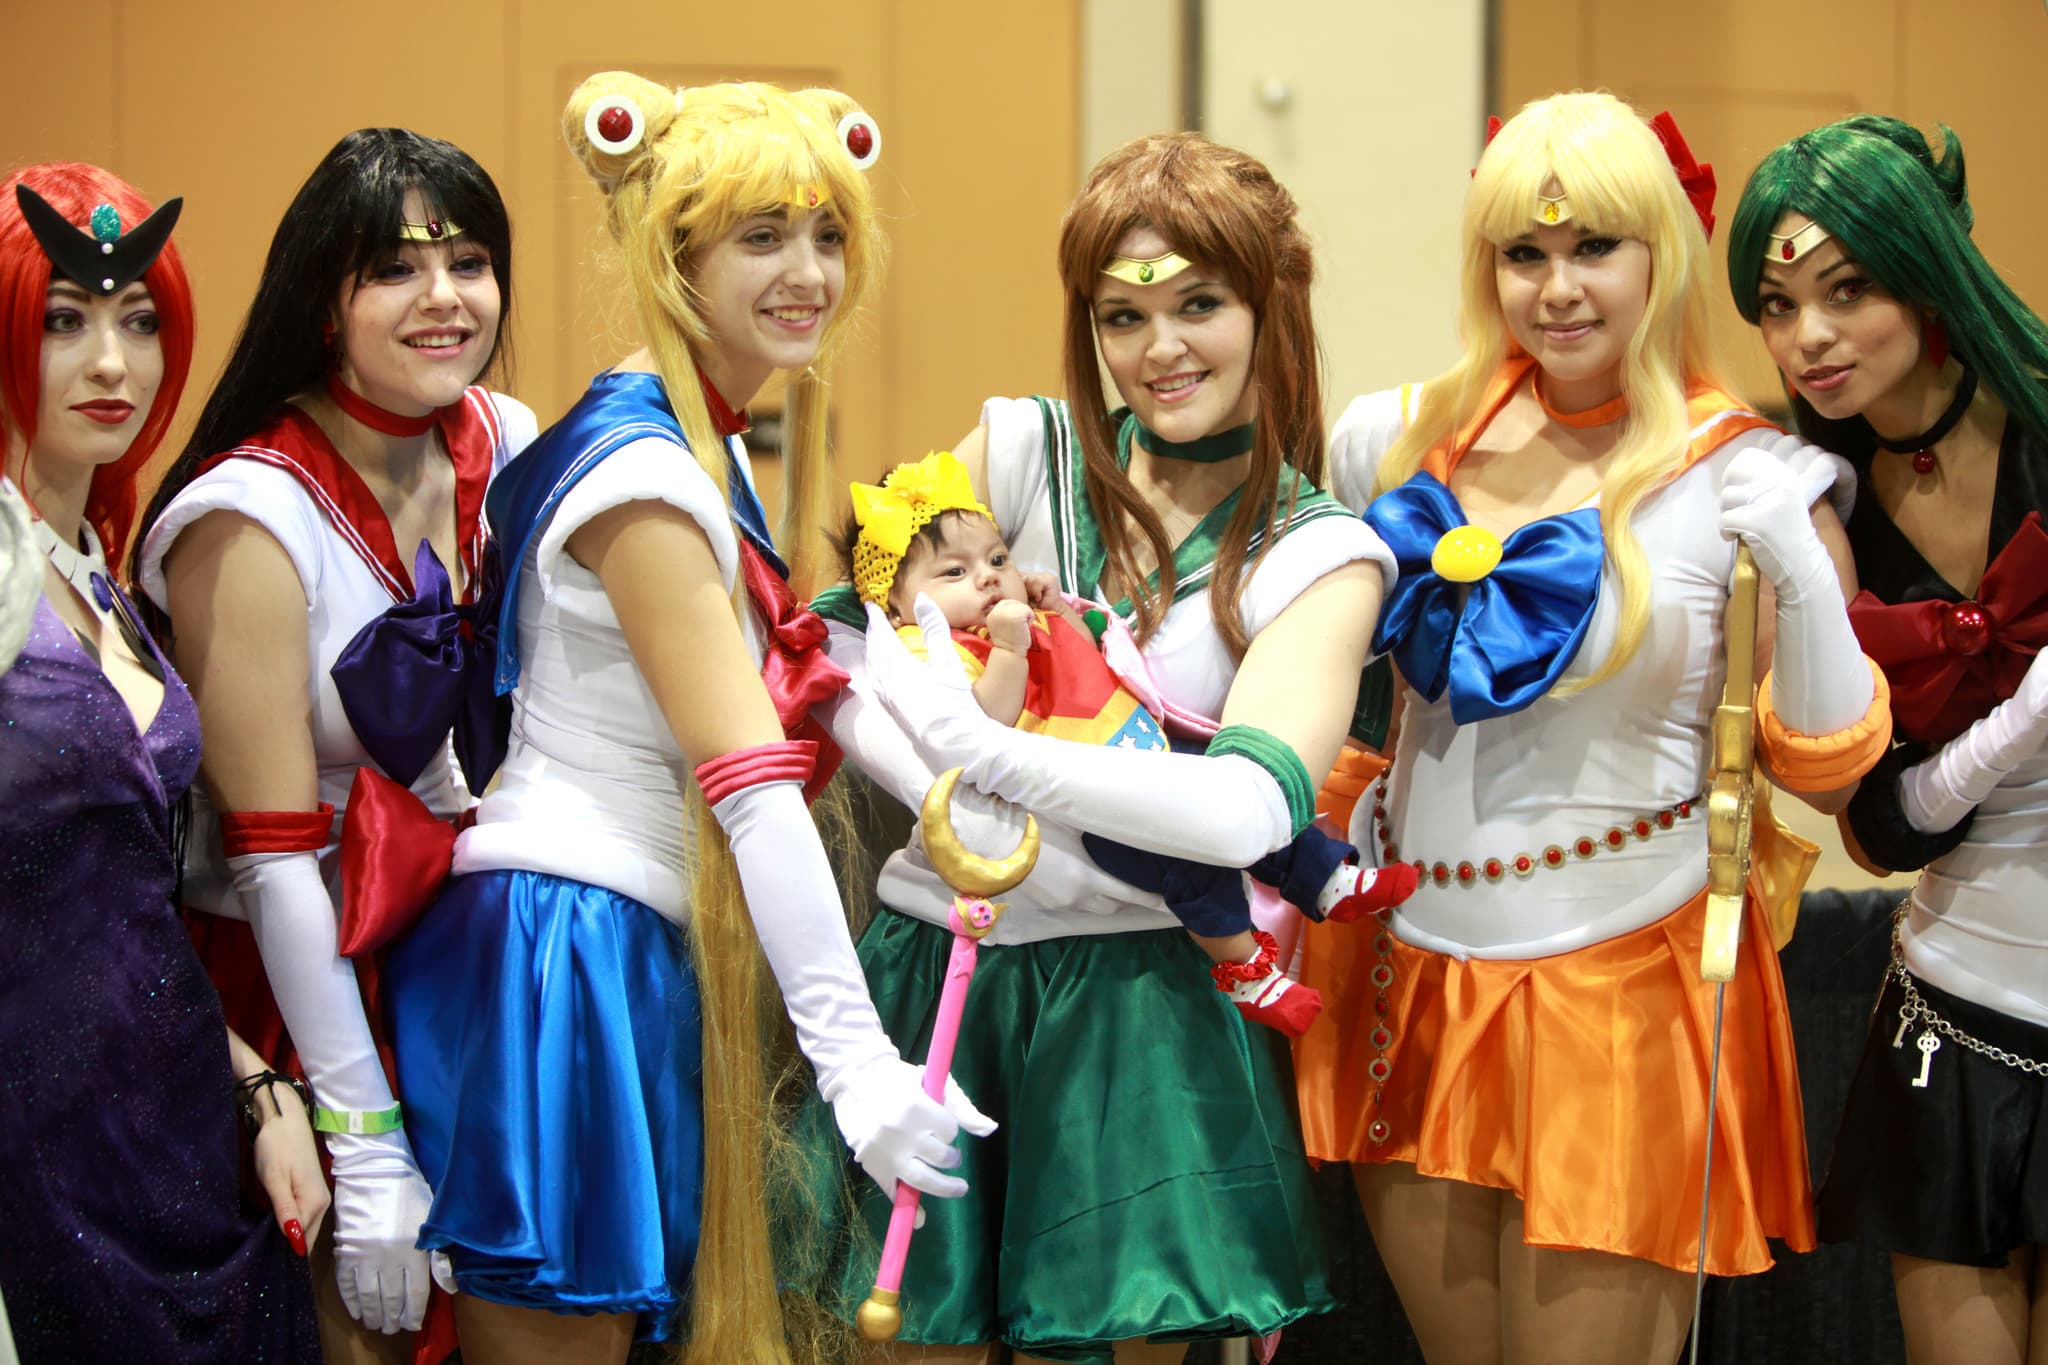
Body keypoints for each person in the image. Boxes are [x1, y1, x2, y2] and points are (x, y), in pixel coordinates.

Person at [380, 72, 979, 1364]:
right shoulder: (646, 476)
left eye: (825, 234)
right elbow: (751, 781)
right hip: (570, 942)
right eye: (761, 237)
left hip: (625, 938)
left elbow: (815, 684)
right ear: (675, 254)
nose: (807, 270)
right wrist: (858, 1064)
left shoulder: (698, 442)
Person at [1294, 92, 1892, 1364]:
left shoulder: (1750, 479)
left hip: (1620, 992)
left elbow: (1833, 773)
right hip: (1412, 977)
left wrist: (1789, 550)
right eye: (1524, 254)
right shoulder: (1393, 440)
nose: (1556, 289)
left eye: (1593, 249)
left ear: (1659, 256)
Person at [811, 130, 1392, 1364]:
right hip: (939, 965)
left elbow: (1244, 813)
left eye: (1198, 304)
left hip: (1140, 1005)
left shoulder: (1321, 554)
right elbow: (829, 650)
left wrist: (987, 756)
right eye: (1122, 316)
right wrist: (940, 784)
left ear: (1270, 305)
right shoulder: (1023, 451)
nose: (1159, 347)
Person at [134, 129, 534, 1361]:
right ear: (324, 296)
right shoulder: (243, 517)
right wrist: (360, 1145)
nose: (445, 300)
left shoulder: (505, 438)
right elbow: (266, 858)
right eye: (395, 271)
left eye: (469, 262)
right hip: (299, 978)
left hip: (475, 959)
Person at [1730, 114, 2048, 1365]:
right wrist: (2013, 730)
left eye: (1845, 290)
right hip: (1956, 997)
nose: (1805, 338)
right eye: (1773, 302)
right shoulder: (1811, 509)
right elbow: (1863, 824)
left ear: (1927, 271)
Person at [0, 161, 322, 1361]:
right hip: (30, 1171)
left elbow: (124, 918)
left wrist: (254, 1086)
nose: (112, 365)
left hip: (176, 1147)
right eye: (62, 323)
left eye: (139, 321)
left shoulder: (107, 583)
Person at [845, 448, 1416, 1036]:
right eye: (953, 573)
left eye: (997, 557)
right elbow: (981, 723)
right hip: (1087, 807)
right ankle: (1244, 967)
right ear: (895, 602)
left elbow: (1087, 657)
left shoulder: (1021, 616)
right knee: (1192, 859)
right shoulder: (926, 649)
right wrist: (1010, 647)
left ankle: (1325, 879)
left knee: (1227, 787)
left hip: (1138, 747)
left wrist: (1057, 609)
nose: (989, 576)